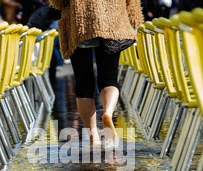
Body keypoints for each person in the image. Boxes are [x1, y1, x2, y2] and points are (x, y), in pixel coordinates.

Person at [50, 0, 144, 145]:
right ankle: (107, 112)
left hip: (79, 21)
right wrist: (134, 19)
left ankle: (93, 135)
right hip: (113, 20)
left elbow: (59, 2)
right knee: (109, 79)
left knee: (83, 83)